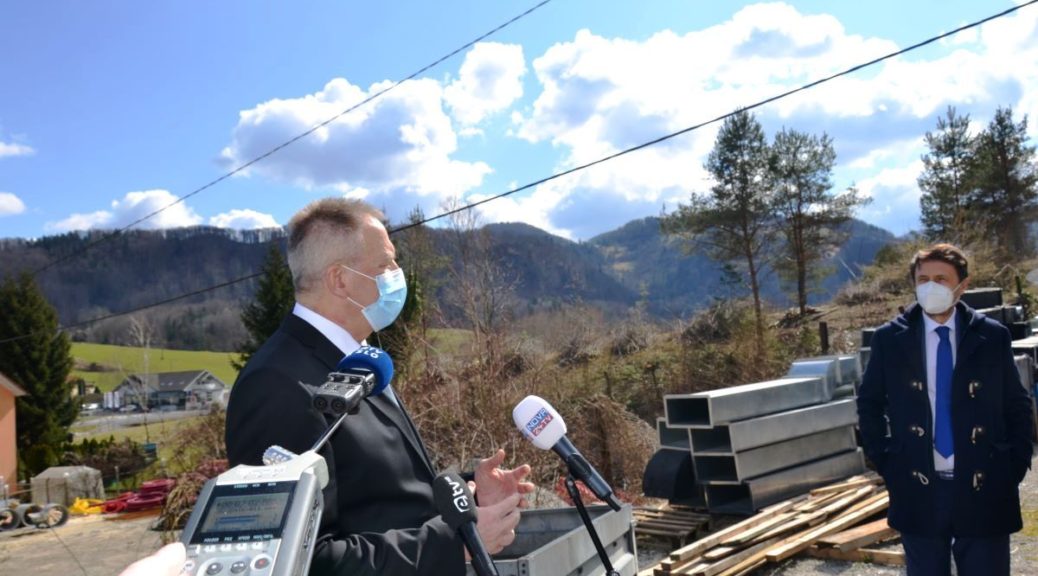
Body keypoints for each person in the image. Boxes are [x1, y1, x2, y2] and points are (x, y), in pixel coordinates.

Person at [226, 198, 533, 575]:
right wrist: (457, 543)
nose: (398, 274)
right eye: (385, 264)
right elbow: (306, 560)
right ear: (340, 280)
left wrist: (470, 494)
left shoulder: (360, 360)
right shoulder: (276, 384)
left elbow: (384, 497)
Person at [857, 243, 1033, 576]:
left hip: (984, 483)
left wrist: (1014, 465)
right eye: (923, 279)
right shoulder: (889, 339)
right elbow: (869, 403)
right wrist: (886, 461)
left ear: (962, 286)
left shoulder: (991, 336)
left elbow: (1017, 404)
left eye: (941, 279)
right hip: (918, 485)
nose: (930, 287)